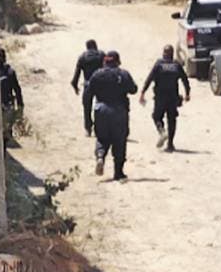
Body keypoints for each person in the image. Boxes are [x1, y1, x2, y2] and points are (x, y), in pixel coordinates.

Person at [83, 50, 137, 180]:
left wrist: (88, 119)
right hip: (119, 111)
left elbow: (88, 94)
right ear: (117, 61)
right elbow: (133, 89)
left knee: (102, 138)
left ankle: (100, 156)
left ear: (105, 61)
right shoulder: (122, 74)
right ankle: (118, 172)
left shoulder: (97, 74)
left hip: (101, 109)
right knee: (119, 141)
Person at [139, 45, 191, 153]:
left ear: (164, 53)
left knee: (156, 116)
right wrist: (187, 93)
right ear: (172, 54)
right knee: (172, 119)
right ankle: (170, 144)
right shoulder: (176, 65)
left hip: (160, 97)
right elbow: (185, 79)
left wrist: (143, 92)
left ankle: (162, 131)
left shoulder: (159, 64)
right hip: (173, 98)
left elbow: (150, 78)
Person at [71, 39, 106, 137]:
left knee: (87, 108)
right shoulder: (102, 55)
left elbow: (76, 75)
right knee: (101, 106)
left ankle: (88, 128)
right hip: (101, 85)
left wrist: (75, 86)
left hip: (88, 85)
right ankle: (99, 127)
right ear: (96, 46)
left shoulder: (82, 57)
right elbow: (108, 69)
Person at [0, 49, 24, 149]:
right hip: (5, 105)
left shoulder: (9, 72)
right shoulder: (8, 72)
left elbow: (17, 90)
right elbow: (17, 90)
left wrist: (20, 105)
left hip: (5, 105)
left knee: (4, 134)